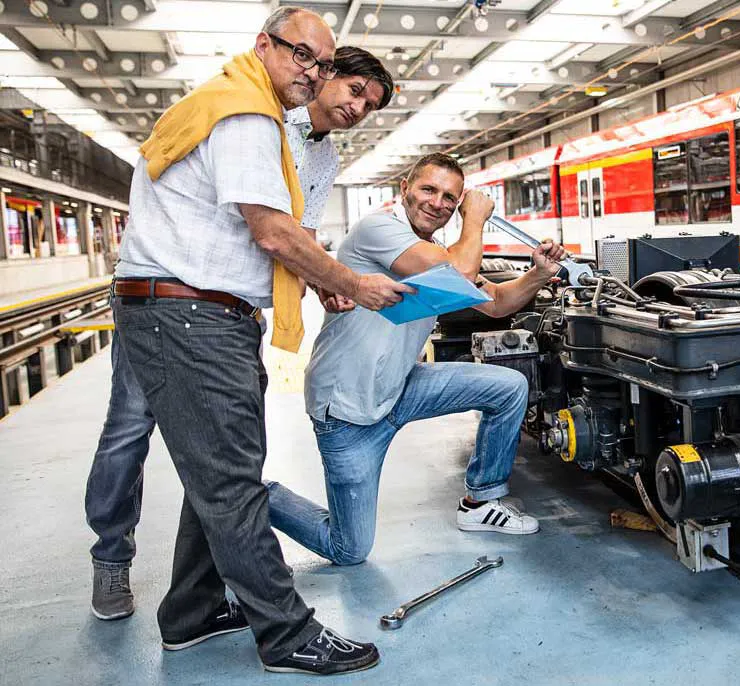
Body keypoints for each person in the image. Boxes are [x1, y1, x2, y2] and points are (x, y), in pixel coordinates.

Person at [107, 6, 408, 675]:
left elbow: (282, 234)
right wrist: (352, 284)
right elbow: (273, 231)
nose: (316, 73)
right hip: (187, 317)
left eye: (324, 63)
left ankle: (191, 611)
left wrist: (318, 274)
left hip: (206, 314)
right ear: (263, 45)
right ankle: (286, 633)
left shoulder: (256, 114)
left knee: (220, 473)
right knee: (231, 482)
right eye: (304, 56)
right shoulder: (248, 114)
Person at [265, 153, 567, 566]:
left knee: (509, 386)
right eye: (429, 189)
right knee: (348, 549)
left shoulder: (437, 251)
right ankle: (256, 495)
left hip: (401, 386)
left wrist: (539, 273)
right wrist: (474, 218)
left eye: (450, 197)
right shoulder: (380, 230)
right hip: (350, 410)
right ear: (404, 189)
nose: (438, 203)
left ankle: (482, 501)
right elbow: (460, 274)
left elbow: (496, 304)